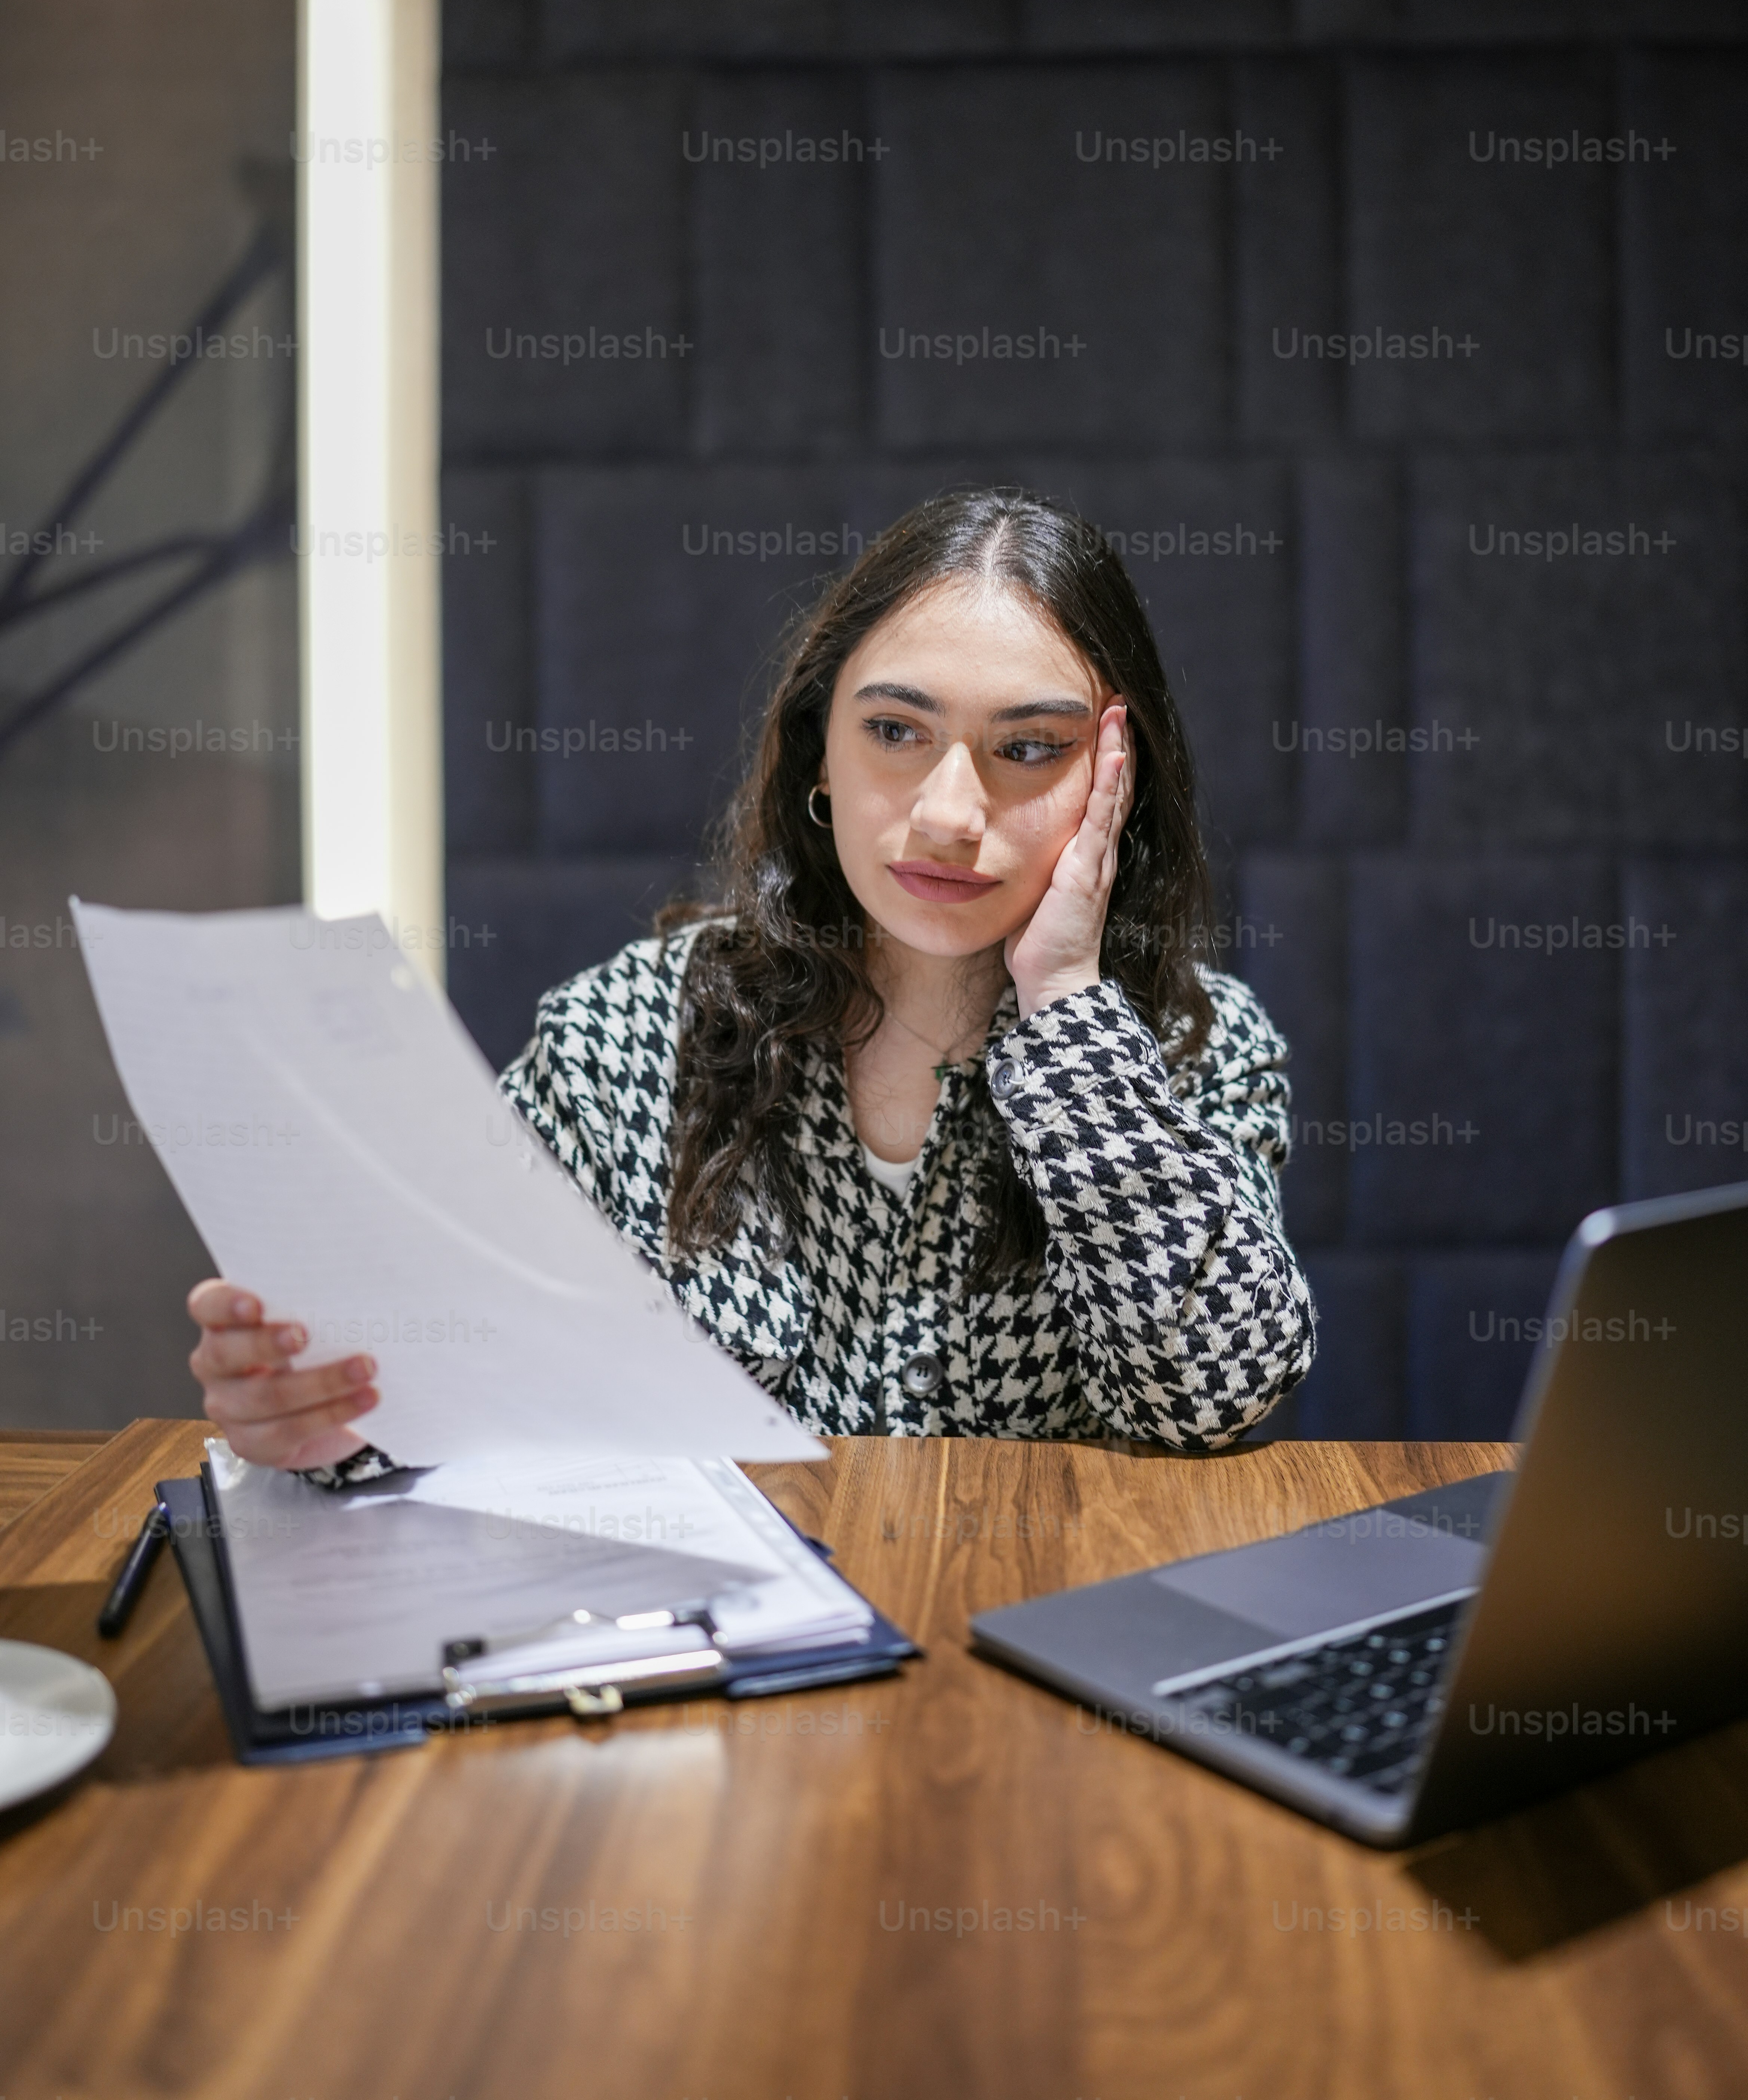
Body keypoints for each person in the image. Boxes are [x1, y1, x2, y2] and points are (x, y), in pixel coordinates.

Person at [187, 486, 1315, 1470]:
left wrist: (1067, 1002)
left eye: (1029, 750)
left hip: (1034, 1668)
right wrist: (322, 1423)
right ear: (822, 744)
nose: (949, 815)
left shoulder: (1190, 1048)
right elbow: (457, 1377)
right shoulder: (630, 1034)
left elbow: (1218, 1397)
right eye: (895, 731)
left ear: (1118, 782)